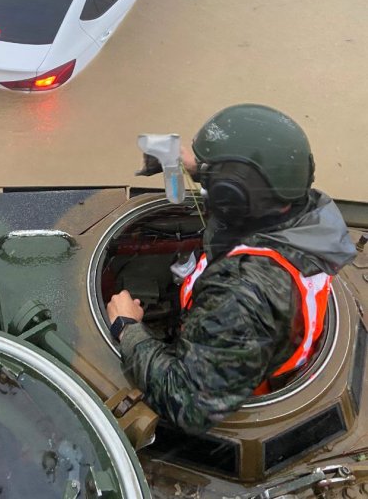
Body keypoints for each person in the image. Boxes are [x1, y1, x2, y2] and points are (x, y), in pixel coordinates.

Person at [106, 104, 356, 435]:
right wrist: (197, 166)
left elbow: (190, 404)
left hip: (226, 388)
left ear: (233, 195)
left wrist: (128, 328)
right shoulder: (301, 214)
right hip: (249, 344)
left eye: (214, 182)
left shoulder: (239, 297)